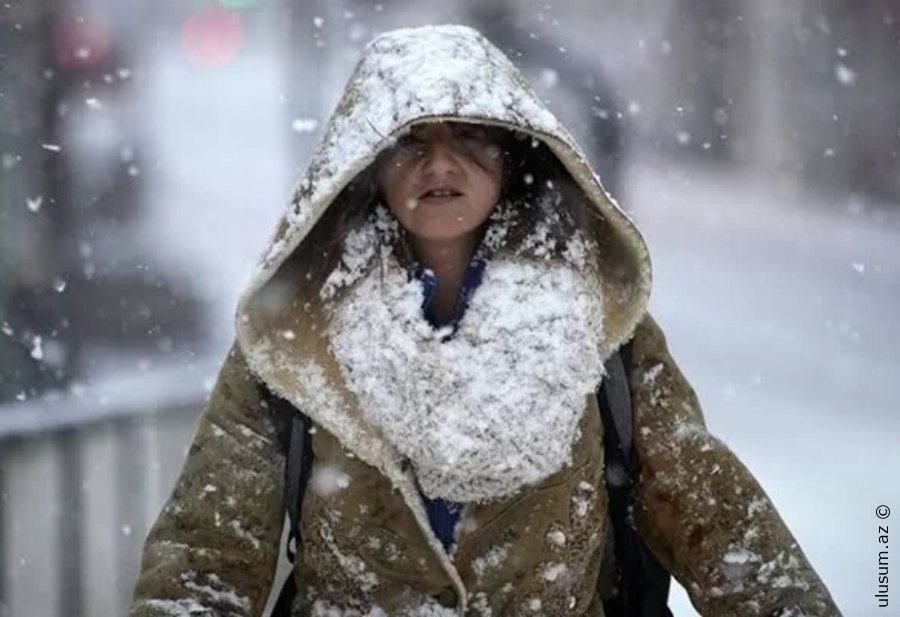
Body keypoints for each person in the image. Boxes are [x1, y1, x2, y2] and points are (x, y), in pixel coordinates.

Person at [129, 25, 842, 617]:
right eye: (411, 139)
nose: (440, 163)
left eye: (470, 136)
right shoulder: (295, 340)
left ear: (513, 155)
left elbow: (717, 519)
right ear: (368, 164)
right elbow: (206, 560)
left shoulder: (601, 325)